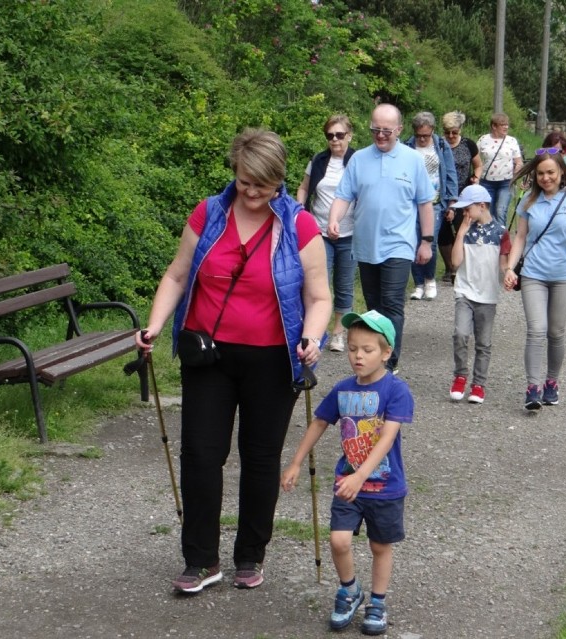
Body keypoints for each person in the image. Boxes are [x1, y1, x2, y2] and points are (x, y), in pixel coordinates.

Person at [135, 129, 332, 594]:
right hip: (209, 354)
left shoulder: (300, 226)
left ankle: (250, 555)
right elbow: (177, 274)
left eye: (261, 184)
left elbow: (320, 296)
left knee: (260, 459)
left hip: (272, 359)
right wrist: (155, 325)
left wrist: (311, 337)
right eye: (244, 181)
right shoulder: (209, 213)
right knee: (201, 455)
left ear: (279, 180)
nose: (251, 191)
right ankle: (201, 560)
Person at [281, 310, 413, 636]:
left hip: (384, 486)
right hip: (347, 484)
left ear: (386, 353)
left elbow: (386, 439)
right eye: (353, 348)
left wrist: (361, 476)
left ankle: (378, 602)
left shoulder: (396, 391)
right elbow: (320, 422)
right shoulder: (342, 390)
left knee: (380, 547)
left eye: (367, 350)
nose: (357, 356)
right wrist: (296, 461)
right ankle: (350, 591)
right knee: (339, 541)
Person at [329, 103, 436, 375]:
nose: (380, 135)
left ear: (399, 130)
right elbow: (344, 195)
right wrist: (334, 219)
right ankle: (373, 356)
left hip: (398, 244)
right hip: (365, 246)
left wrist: (426, 240)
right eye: (375, 129)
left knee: (391, 302)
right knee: (374, 306)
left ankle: (390, 361)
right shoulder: (359, 159)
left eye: (386, 130)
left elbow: (425, 203)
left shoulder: (412, 160)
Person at [503, 150, 566, 411]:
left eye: (551, 172)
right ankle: (532, 388)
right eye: (540, 173)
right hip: (534, 274)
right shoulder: (528, 201)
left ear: (562, 172)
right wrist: (509, 268)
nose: (545, 177)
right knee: (536, 330)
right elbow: (520, 237)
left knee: (555, 332)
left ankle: (552, 381)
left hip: (563, 274)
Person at [296, 114, 357, 352]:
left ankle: (339, 333)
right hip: (318, 232)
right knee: (317, 284)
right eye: (330, 135)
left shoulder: (358, 160)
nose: (335, 140)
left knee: (344, 284)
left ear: (349, 136)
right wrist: (300, 210)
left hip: (350, 232)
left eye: (340, 135)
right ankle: (314, 332)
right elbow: (303, 187)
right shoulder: (318, 160)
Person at [447, 184, 511, 405]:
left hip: (487, 296)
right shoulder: (465, 231)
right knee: (460, 334)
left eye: (467, 209)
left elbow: (504, 264)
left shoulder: (501, 232)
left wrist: (509, 273)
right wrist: (461, 233)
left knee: (483, 342)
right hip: (464, 292)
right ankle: (460, 375)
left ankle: (479, 384)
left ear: (481, 206)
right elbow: (455, 262)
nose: (465, 214)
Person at [404, 111, 458, 301]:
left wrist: (452, 203)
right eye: (419, 135)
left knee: (430, 241)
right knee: (413, 241)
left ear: (433, 130)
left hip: (435, 202)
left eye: (426, 135)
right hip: (411, 202)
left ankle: (429, 279)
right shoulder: (407, 146)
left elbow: (450, 173)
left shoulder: (441, 145)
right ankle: (418, 284)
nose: (422, 139)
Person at [438, 111, 482, 283]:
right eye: (447, 132)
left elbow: (478, 165)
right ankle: (450, 267)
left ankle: (462, 267)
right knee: (443, 233)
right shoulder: (439, 145)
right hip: (442, 194)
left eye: (454, 132)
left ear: (460, 130)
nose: (450, 135)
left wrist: (476, 179)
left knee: (462, 230)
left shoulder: (468, 144)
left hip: (464, 194)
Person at [477, 112, 523, 227]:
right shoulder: (483, 139)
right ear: (494, 126)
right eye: (502, 124)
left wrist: (517, 169)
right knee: (488, 212)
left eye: (507, 124)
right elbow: (475, 159)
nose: (506, 127)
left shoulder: (512, 141)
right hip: (486, 182)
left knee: (500, 211)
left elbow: (519, 161)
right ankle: (489, 239)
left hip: (506, 182)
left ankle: (501, 240)